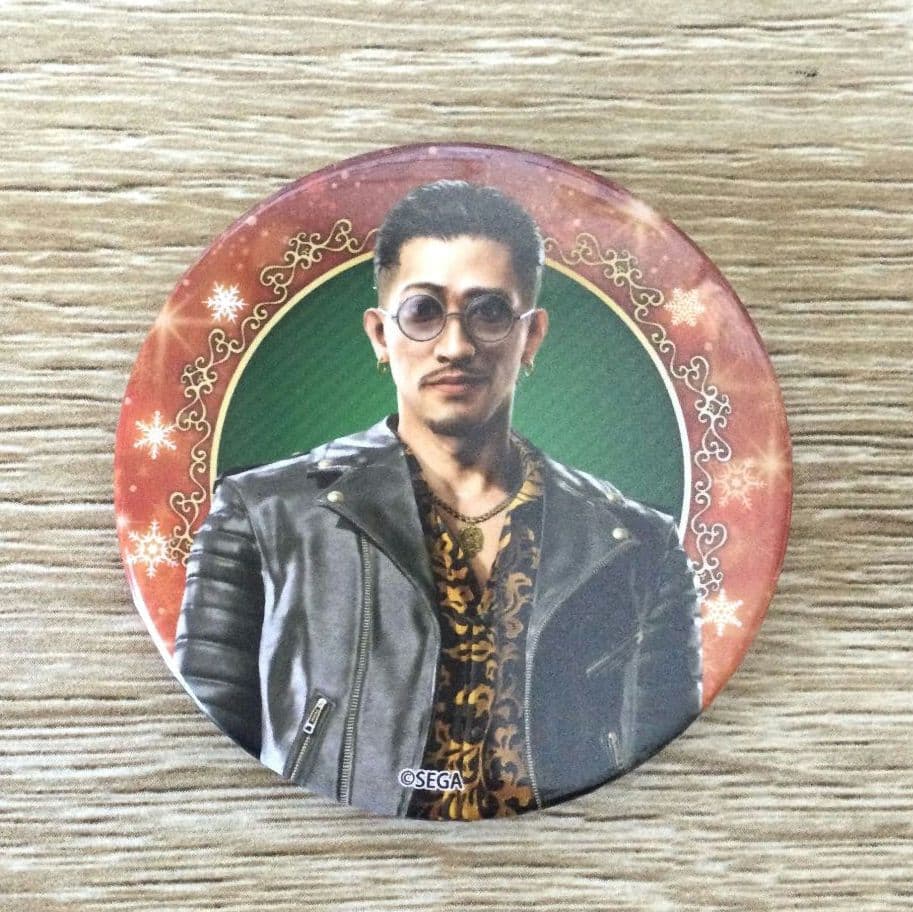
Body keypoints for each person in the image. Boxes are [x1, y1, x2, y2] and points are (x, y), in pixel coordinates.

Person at [175, 180, 702, 820]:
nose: (455, 346)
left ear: (531, 337)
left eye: (489, 311)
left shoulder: (637, 546)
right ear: (380, 334)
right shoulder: (262, 515)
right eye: (423, 311)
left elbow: (664, 776)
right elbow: (204, 760)